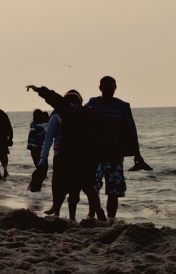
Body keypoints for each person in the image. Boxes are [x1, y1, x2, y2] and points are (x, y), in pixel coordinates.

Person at [27, 85, 107, 221]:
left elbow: (54, 98)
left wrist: (39, 90)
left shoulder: (65, 111)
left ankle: (58, 210)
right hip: (88, 155)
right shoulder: (89, 112)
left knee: (60, 183)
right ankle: (98, 210)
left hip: (68, 154)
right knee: (87, 185)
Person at [86, 76, 150, 220]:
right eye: (105, 88)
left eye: (111, 88)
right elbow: (79, 119)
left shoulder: (122, 107)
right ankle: (93, 214)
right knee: (92, 187)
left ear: (115, 88)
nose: (108, 91)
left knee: (113, 191)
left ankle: (111, 219)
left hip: (115, 156)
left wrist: (137, 154)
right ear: (100, 88)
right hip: (95, 155)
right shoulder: (93, 103)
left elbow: (131, 130)